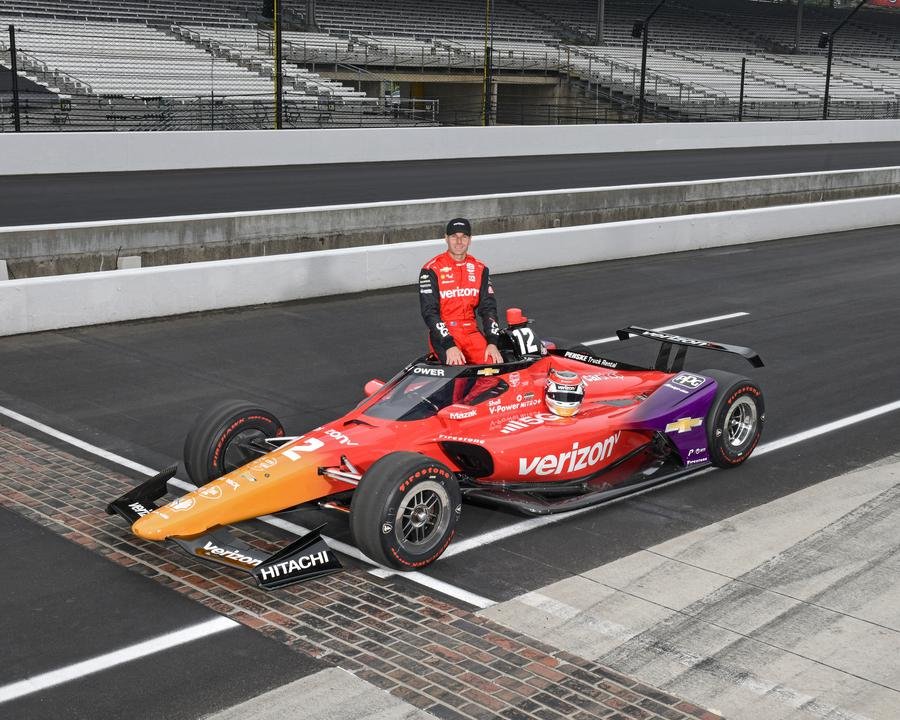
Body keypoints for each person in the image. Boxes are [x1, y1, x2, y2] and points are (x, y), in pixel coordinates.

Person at [419, 217, 503, 366]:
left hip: (471, 331)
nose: (459, 242)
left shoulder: (480, 268)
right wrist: (449, 345)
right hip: (445, 333)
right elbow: (429, 312)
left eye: (464, 237)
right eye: (454, 237)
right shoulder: (431, 269)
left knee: (495, 366)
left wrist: (492, 342)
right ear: (446, 238)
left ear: (470, 240)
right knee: (459, 373)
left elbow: (488, 308)